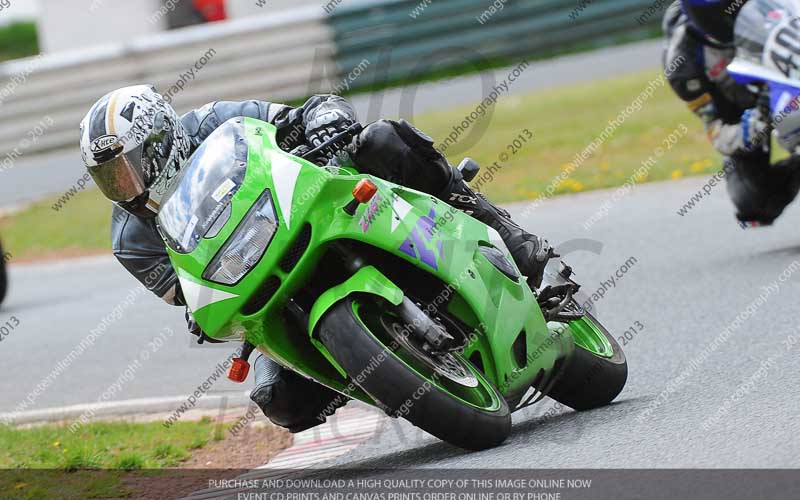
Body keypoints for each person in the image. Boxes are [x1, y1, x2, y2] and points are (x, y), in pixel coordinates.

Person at [79, 85, 553, 433]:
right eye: (109, 179)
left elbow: (306, 111)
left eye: (127, 168)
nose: (124, 187)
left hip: (314, 204)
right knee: (279, 401)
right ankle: (383, 369)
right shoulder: (130, 238)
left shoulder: (215, 120)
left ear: (162, 139)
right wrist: (203, 316)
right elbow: (189, 296)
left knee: (383, 140)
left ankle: (501, 228)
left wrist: (324, 119)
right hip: (258, 279)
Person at [663, 0, 800, 226]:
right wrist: (754, 124)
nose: (731, 14)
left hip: (786, 78)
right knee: (754, 202)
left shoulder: (770, 6)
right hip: (744, 112)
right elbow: (717, 132)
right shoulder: (683, 63)